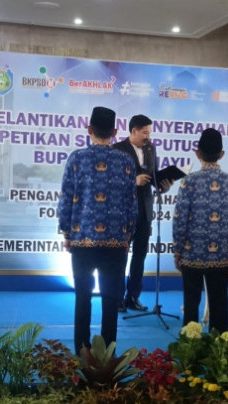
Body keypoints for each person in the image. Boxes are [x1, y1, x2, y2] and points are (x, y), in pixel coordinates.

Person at [56, 106, 137, 353]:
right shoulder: (126, 161)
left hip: (82, 240)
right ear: (115, 132)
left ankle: (82, 350)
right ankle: (108, 353)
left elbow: (66, 199)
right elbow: (131, 204)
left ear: (89, 129)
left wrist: (67, 233)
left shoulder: (77, 158)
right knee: (111, 300)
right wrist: (128, 235)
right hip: (116, 242)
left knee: (83, 296)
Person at [173, 128, 228, 333]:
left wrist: (177, 250)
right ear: (222, 154)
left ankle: (190, 345)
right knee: (219, 303)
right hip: (221, 254)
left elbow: (179, 219)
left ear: (197, 153)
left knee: (191, 304)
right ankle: (219, 345)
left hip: (191, 253)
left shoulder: (189, 181)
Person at [113, 114, 173, 313]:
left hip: (145, 211)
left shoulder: (150, 148)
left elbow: (152, 175)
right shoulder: (117, 149)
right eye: (145, 132)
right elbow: (112, 181)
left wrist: (163, 185)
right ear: (134, 131)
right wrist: (133, 181)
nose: (148, 136)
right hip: (123, 212)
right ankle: (117, 299)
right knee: (120, 257)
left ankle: (133, 297)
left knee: (140, 256)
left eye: (150, 132)